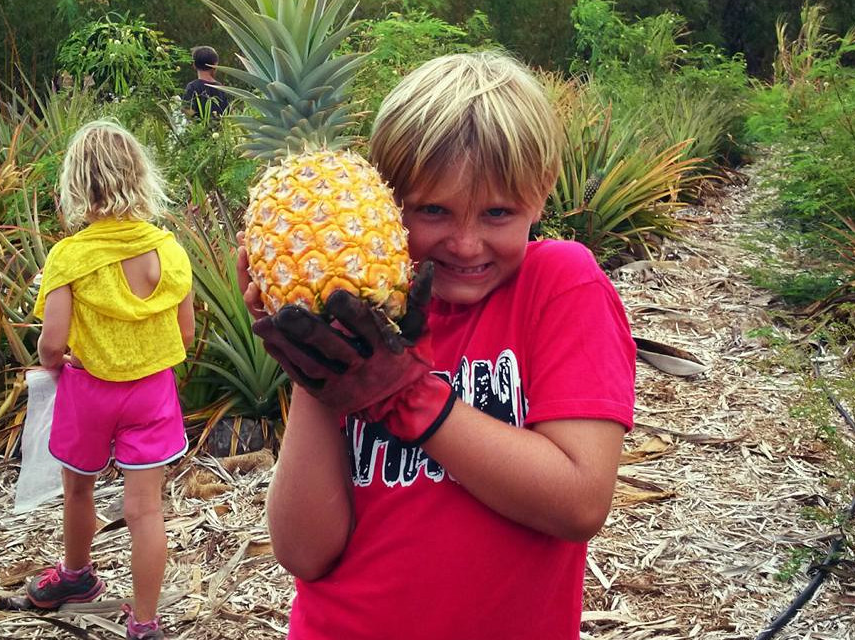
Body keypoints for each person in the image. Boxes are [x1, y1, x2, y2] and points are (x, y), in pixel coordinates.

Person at [242, 51, 635, 639]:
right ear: (386, 200)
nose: (468, 243)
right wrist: (314, 370)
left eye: (499, 212)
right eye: (433, 210)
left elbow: (578, 503)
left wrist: (412, 398)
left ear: (541, 193)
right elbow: (304, 553)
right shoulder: (361, 322)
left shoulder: (560, 285)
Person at [26, 119, 194, 640]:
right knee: (145, 510)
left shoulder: (71, 256)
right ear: (140, 175)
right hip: (152, 393)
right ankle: (145, 623)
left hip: (89, 392)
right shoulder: (167, 250)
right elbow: (184, 336)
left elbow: (53, 343)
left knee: (79, 490)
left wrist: (52, 360)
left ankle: (76, 576)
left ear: (77, 183)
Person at [182, 46, 230, 119]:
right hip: (219, 129)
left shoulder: (192, 87)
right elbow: (227, 113)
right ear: (215, 65)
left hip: (199, 129)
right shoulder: (221, 88)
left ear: (194, 65)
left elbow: (186, 112)